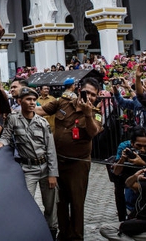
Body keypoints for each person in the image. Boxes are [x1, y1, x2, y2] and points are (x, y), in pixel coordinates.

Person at [37, 77, 103, 241]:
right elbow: (41, 111)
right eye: (86, 92)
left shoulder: (96, 114)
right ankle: (63, 234)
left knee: (76, 202)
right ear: (79, 90)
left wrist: (88, 115)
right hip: (57, 163)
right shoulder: (63, 102)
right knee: (60, 202)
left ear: (97, 97)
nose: (89, 97)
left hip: (77, 165)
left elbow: (94, 132)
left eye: (93, 95)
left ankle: (76, 237)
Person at [0, 86, 58, 238]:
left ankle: (51, 232)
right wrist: (1, 143)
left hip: (45, 168)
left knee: (51, 206)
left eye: (34, 100)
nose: (32, 103)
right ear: (19, 101)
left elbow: (51, 149)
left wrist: (52, 174)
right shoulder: (13, 119)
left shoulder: (42, 122)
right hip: (27, 168)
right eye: (28, 99)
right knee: (26, 204)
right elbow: (6, 136)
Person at [110, 126, 146, 221]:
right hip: (124, 174)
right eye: (138, 146)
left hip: (143, 174)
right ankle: (122, 217)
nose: (143, 149)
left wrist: (143, 163)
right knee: (118, 187)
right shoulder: (124, 146)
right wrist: (122, 159)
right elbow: (116, 171)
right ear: (132, 143)